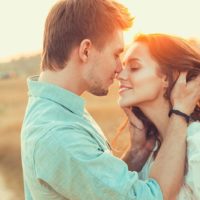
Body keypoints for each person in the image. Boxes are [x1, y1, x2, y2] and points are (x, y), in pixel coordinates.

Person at [20, 0, 200, 199]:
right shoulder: (58, 134)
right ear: (86, 50)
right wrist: (180, 113)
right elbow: (148, 196)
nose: (118, 70)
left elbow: (98, 187)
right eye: (116, 55)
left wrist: (136, 153)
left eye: (134, 67)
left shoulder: (60, 112)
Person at [117, 33, 200, 199]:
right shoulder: (150, 150)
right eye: (123, 66)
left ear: (167, 79)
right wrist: (134, 153)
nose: (120, 75)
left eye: (134, 67)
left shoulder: (196, 141)